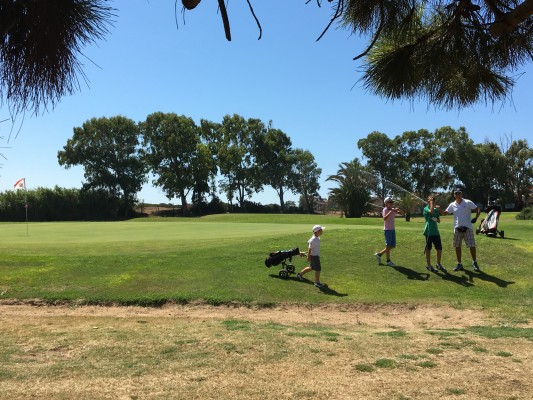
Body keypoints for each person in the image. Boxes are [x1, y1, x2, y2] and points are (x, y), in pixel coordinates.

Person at [441, 187, 481, 272]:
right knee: (457, 246)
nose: (458, 195)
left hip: (468, 228)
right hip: (457, 228)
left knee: (472, 245)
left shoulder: (467, 202)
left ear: (461, 194)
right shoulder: (452, 204)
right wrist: (438, 209)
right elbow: (445, 213)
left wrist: (476, 218)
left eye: (459, 193)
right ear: (454, 195)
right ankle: (459, 264)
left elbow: (478, 209)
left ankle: (474, 262)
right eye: (456, 193)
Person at [374, 197, 401, 267]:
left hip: (392, 229)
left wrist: (398, 210)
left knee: (392, 246)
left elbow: (401, 213)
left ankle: (379, 254)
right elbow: (384, 218)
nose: (392, 204)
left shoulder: (392, 210)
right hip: (387, 230)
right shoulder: (385, 210)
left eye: (392, 202)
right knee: (388, 245)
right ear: (386, 203)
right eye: (390, 202)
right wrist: (390, 212)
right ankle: (388, 261)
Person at [423, 195, 446, 273]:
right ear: (427, 201)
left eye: (433, 200)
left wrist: (436, 218)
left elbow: (439, 220)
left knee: (439, 248)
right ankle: (428, 265)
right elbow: (431, 212)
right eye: (430, 200)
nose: (432, 201)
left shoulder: (436, 210)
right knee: (428, 249)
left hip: (436, 232)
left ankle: (438, 264)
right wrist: (432, 204)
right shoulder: (426, 208)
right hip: (428, 232)